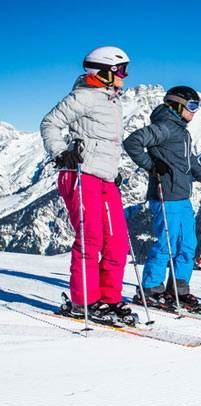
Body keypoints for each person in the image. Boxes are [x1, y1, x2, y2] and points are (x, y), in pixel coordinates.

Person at [41, 46, 137, 325]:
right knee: (90, 238)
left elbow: (103, 143)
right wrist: (61, 152)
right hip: (80, 175)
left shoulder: (112, 100)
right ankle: (83, 302)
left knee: (117, 242)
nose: (125, 75)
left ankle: (109, 299)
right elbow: (49, 123)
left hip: (105, 177)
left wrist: (113, 171)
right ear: (104, 71)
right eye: (121, 70)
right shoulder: (83, 97)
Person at [123, 86, 201, 313]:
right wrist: (152, 165)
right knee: (167, 244)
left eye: (197, 106)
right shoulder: (164, 126)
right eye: (192, 106)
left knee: (188, 245)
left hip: (182, 196)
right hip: (165, 197)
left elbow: (189, 160)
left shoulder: (182, 131)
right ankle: (151, 288)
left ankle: (178, 290)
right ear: (176, 105)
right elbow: (132, 142)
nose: (195, 111)